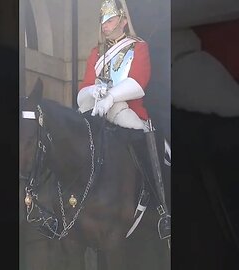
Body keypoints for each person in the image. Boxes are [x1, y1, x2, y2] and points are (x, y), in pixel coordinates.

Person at [76, 0, 170, 239]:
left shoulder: (138, 47)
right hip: (98, 114)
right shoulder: (96, 53)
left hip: (130, 113)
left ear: (124, 21)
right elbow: (84, 87)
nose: (105, 26)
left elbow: (138, 83)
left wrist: (112, 97)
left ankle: (162, 209)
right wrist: (92, 93)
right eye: (103, 21)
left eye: (110, 20)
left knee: (148, 147)